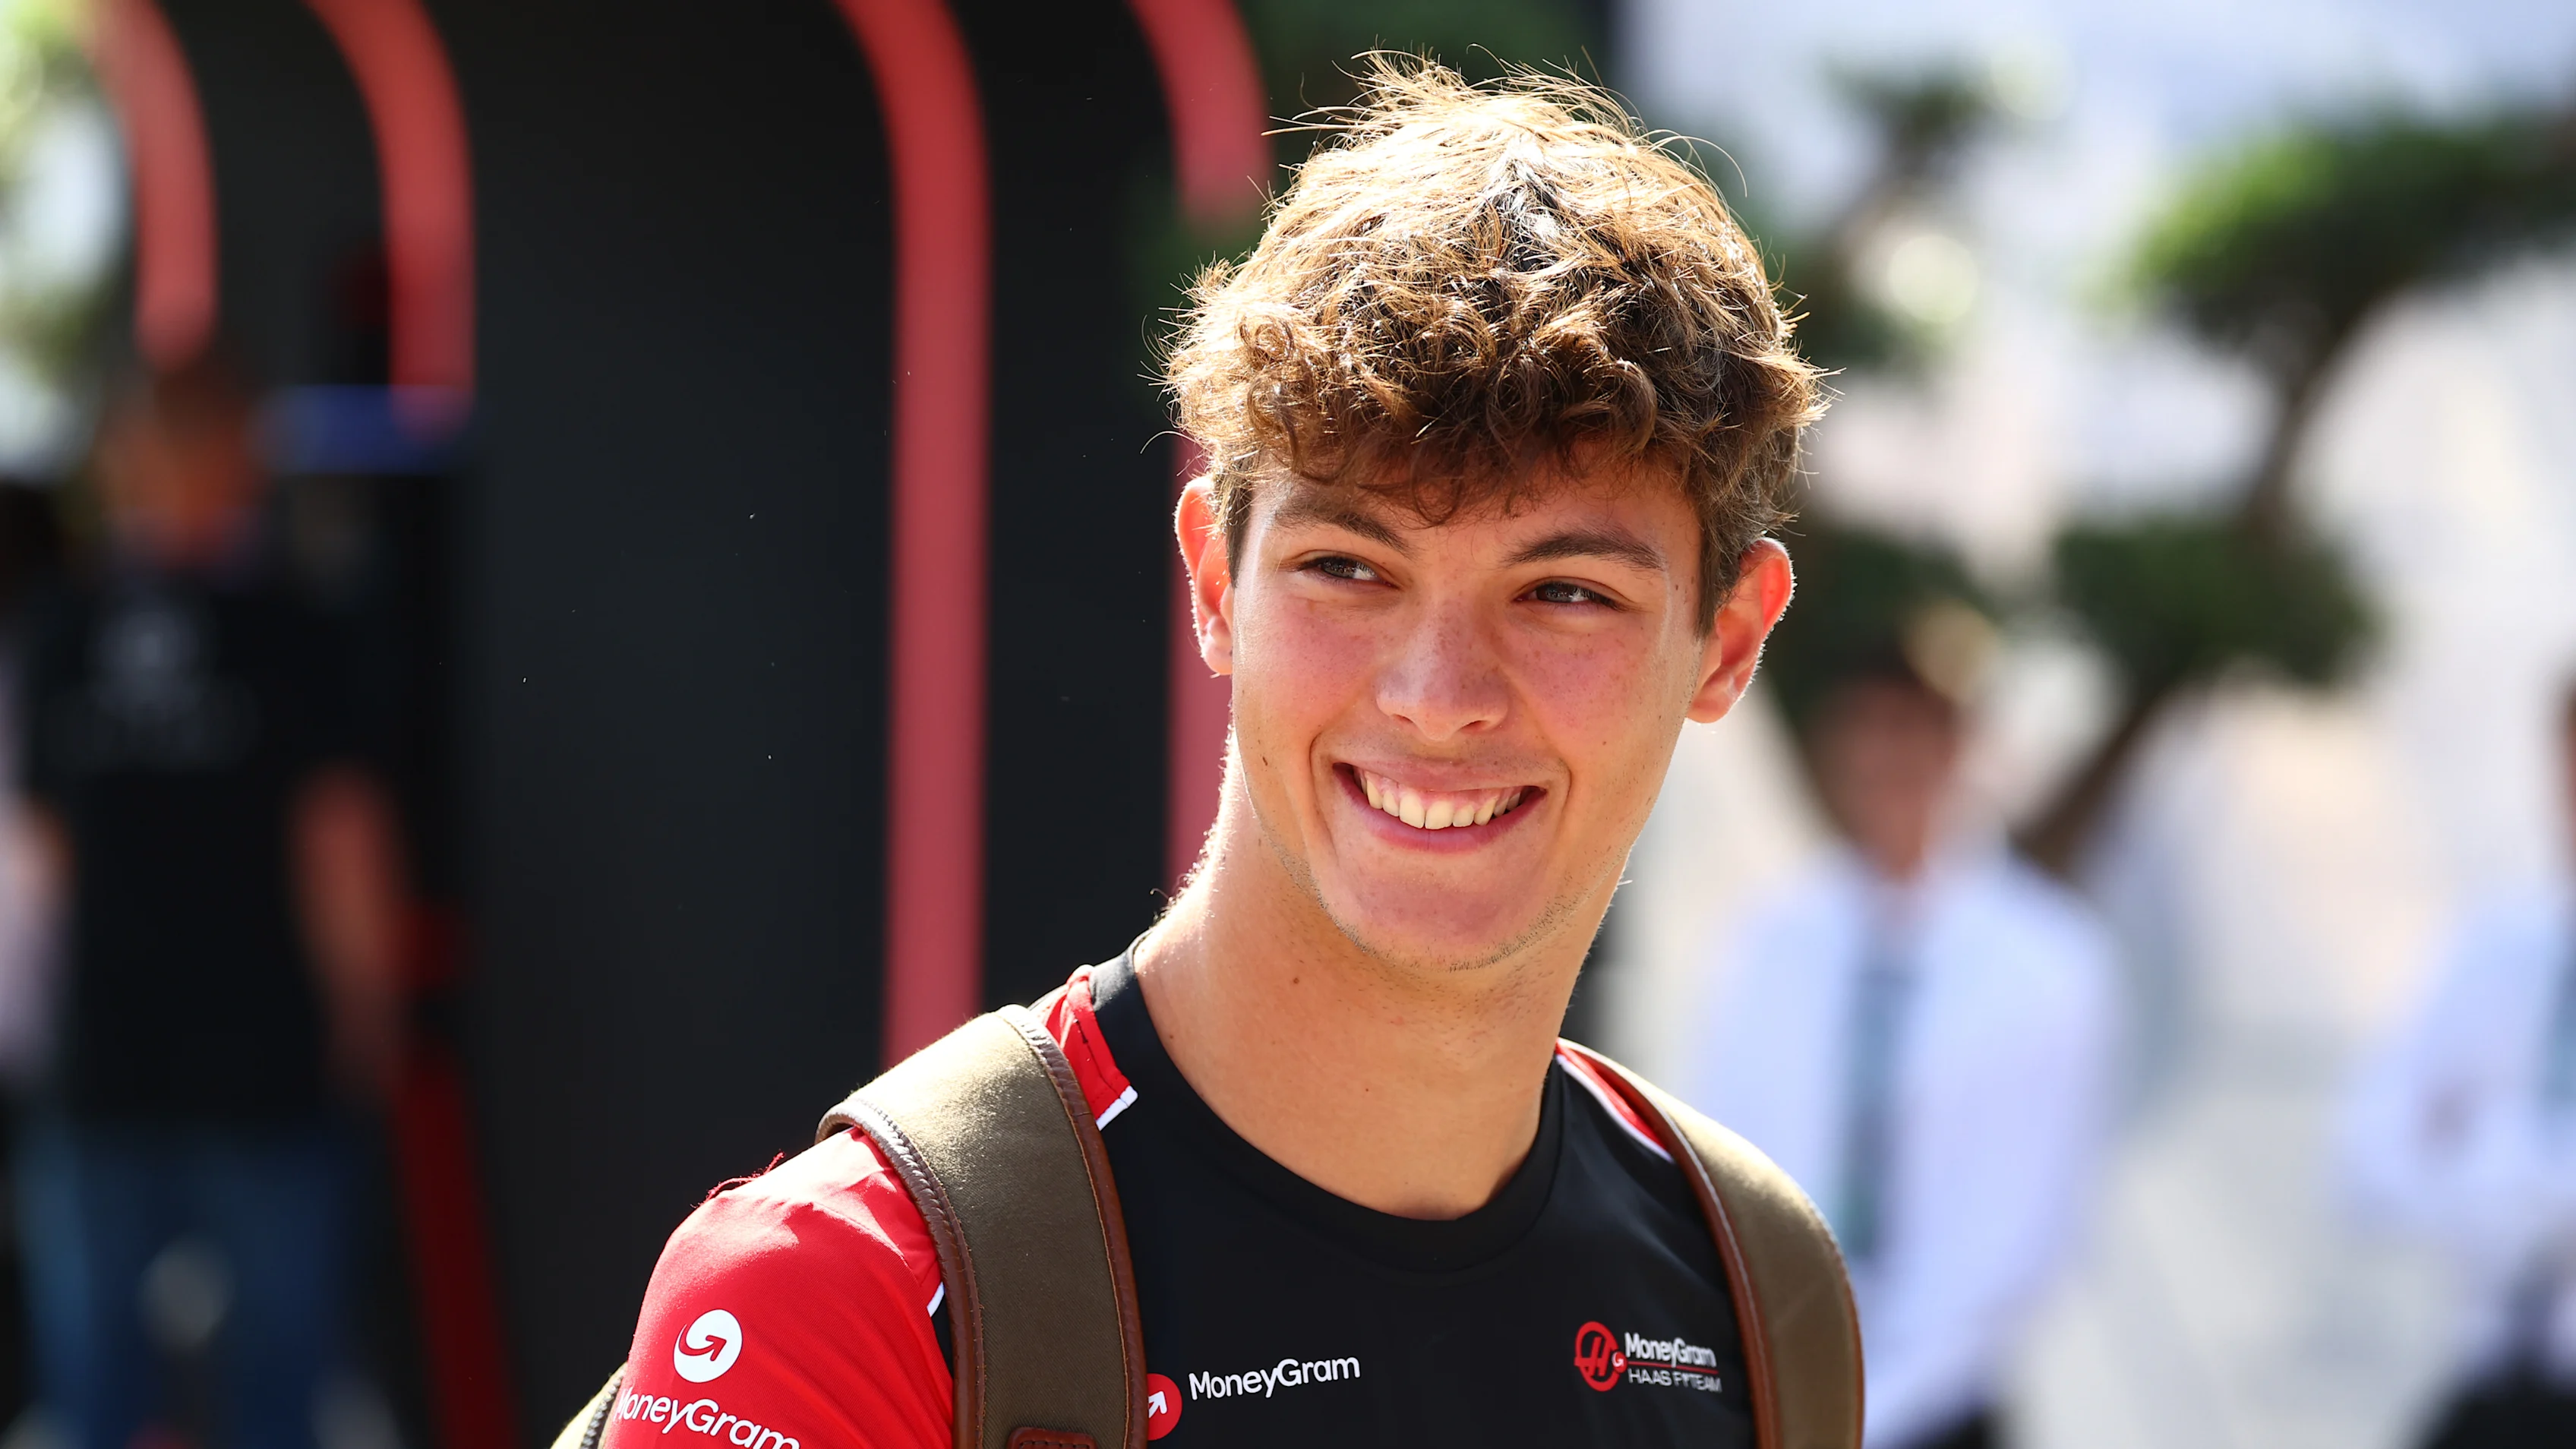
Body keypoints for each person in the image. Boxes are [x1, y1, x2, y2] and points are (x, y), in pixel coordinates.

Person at [599, 62, 1829, 1448]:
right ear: (1213, 578)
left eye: (1562, 592)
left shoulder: (1760, 1299)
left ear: (1729, 638)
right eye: (1348, 566)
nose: (1438, 697)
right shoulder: (854, 1291)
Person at [11, 353, 407, 1449]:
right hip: (165, 1065)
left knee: (202, 1392)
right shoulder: (283, 623)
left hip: (207, 1064)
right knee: (190, 1393)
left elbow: (45, 861)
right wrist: (367, 1010)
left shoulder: (80, 629)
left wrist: (360, 1008)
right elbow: (340, 845)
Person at [1680, 528, 2121, 1449]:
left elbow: (2022, 1227)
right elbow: (1726, 1162)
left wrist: (1879, 1410)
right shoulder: (1776, 939)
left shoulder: (2046, 964)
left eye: (1916, 728)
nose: (1889, 759)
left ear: (1961, 742)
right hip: (1778, 1389)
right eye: (1867, 726)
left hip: (1943, 1407)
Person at [2341, 682, 2576, 1448]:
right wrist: (2500, 1176)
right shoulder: (2499, 945)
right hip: (2494, 1387)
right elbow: (2364, 1158)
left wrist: (2478, 1143)